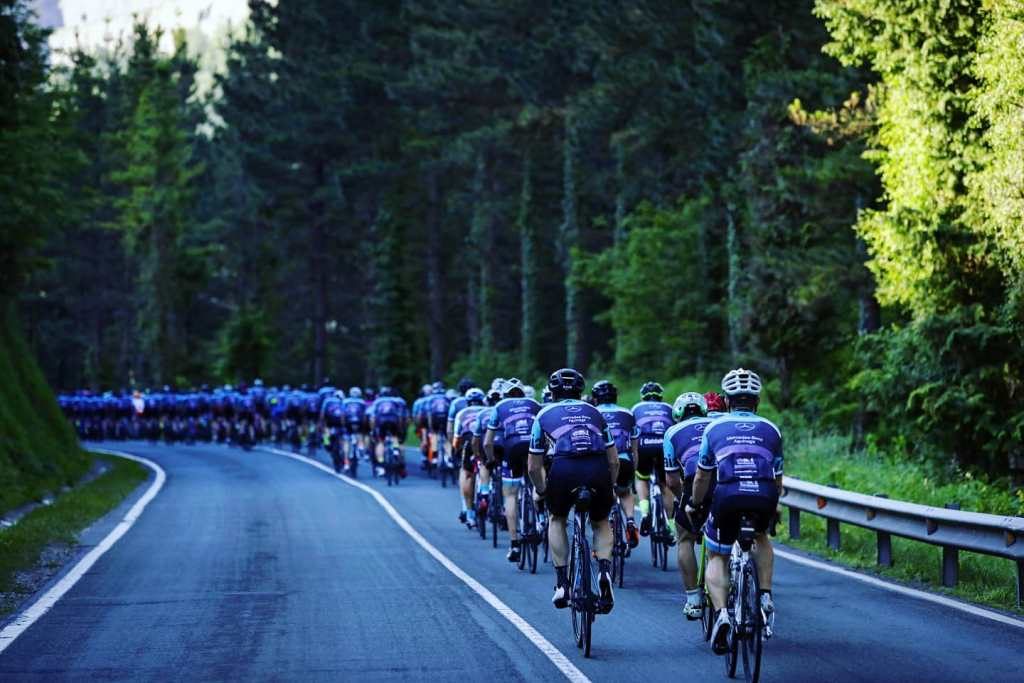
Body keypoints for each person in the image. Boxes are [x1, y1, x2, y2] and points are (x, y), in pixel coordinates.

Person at [687, 368, 782, 655]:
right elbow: (777, 478)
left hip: (727, 496)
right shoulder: (771, 429)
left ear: (726, 401)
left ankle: (723, 614)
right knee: (762, 537)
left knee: (718, 554)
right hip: (763, 495)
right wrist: (772, 509)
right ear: (757, 401)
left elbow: (703, 476)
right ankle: (764, 596)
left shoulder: (713, 429)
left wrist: (694, 502)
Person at [527, 368, 618, 613]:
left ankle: (562, 584)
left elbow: (534, 466)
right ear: (581, 391)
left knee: (556, 519)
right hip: (597, 468)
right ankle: (605, 572)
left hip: (564, 469)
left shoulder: (543, 413)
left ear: (552, 391)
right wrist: (610, 487)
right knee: (600, 522)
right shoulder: (595, 412)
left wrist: (543, 490)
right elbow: (614, 461)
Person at [663, 392, 715, 619]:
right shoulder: (716, 423)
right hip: (725, 478)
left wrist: (683, 498)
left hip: (695, 480)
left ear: (677, 414)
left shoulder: (672, 432)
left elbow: (672, 480)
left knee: (684, 538)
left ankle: (694, 599)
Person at [485, 378, 541, 562]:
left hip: (512, 447)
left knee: (510, 495)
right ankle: (540, 518)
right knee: (537, 480)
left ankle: (515, 543)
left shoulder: (500, 406)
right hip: (532, 446)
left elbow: (487, 442)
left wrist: (492, 460)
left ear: (505, 394)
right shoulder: (534, 403)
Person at [591, 380, 640, 549]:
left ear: (596, 398)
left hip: (601, 462)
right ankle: (631, 521)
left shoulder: (592, 413)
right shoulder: (627, 413)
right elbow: (635, 449)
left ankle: (601, 543)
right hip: (625, 460)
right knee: (625, 492)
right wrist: (633, 472)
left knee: (599, 500)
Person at [631, 381, 675, 539]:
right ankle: (670, 526)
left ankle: (644, 513)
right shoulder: (669, 408)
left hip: (644, 446)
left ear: (643, 397)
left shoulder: (636, 408)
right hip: (664, 447)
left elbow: (631, 430)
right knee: (666, 484)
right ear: (660, 397)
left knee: (641, 477)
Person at [454, 388, 487, 527]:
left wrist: (456, 450)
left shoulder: (462, 413)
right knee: (486, 465)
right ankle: (487, 490)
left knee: (467, 473)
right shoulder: (487, 410)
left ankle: (469, 513)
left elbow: (456, 437)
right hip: (485, 440)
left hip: (468, 441)